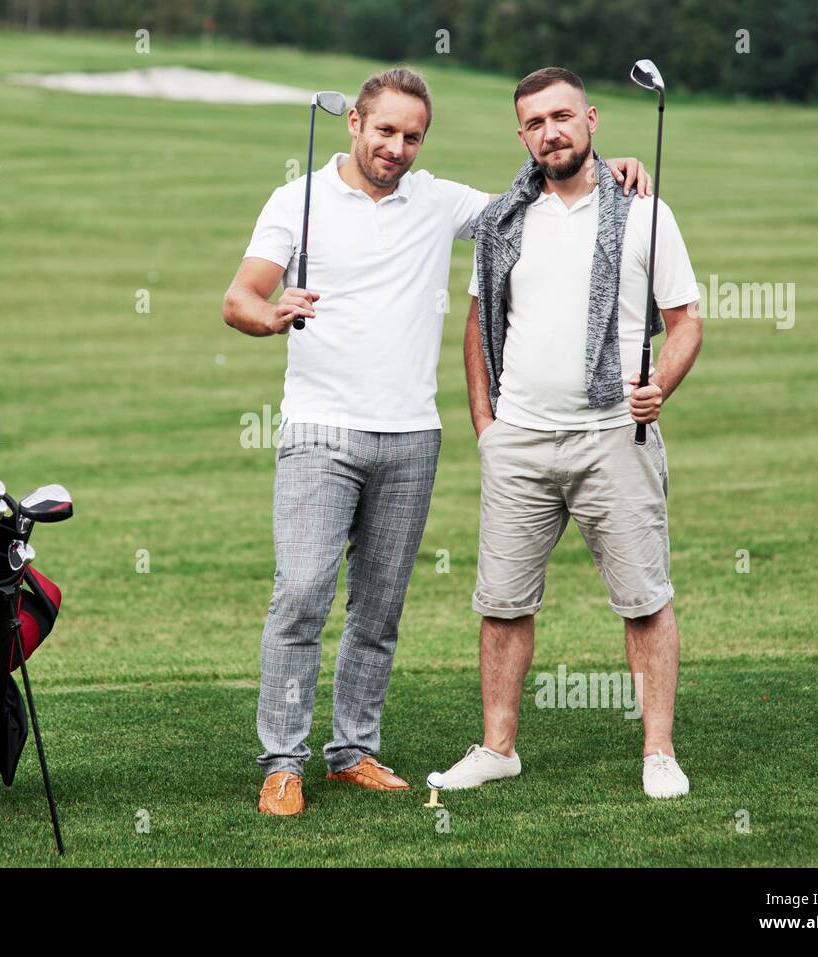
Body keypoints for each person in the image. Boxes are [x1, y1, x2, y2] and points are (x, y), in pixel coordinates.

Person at [222, 66, 650, 816]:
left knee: (379, 609)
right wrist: (274, 312)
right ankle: (282, 761)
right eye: (385, 130)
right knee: (300, 597)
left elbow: (538, 199)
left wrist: (608, 170)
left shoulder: (440, 199)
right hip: (320, 430)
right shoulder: (299, 200)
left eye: (412, 136)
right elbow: (239, 298)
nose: (396, 148)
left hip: (413, 434)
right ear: (354, 123)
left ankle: (352, 750)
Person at [438, 67, 702, 799]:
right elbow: (478, 324)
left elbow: (684, 322)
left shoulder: (647, 212)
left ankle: (658, 751)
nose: (550, 131)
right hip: (519, 439)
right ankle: (497, 747)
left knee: (644, 598)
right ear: (521, 135)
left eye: (562, 116)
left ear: (590, 118)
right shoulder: (503, 219)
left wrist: (660, 386)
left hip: (615, 437)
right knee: (501, 601)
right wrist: (486, 426)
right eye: (534, 122)